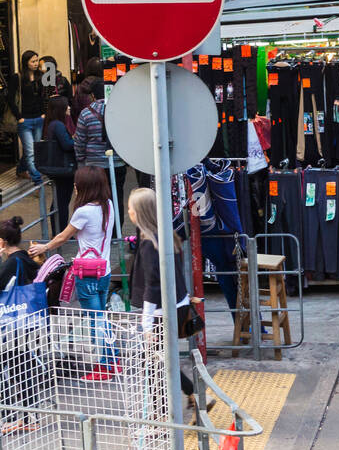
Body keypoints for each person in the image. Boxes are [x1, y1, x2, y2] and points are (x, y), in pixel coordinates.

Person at [29, 165, 117, 379]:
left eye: (78, 183)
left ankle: (105, 366)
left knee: (96, 320)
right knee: (101, 317)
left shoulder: (83, 211)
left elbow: (63, 237)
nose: (75, 186)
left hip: (86, 275)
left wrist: (43, 247)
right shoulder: (108, 205)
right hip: (103, 271)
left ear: (85, 186)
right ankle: (112, 361)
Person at [125, 188, 207, 414]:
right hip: (177, 308)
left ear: (139, 213)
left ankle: (164, 418)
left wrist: (147, 322)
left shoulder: (150, 243)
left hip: (161, 313)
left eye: (131, 207)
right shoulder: (168, 236)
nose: (128, 211)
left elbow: (153, 284)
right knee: (162, 361)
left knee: (154, 365)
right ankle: (194, 396)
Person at [72, 78, 126, 201]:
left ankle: (101, 220)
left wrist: (81, 161)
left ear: (92, 95)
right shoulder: (120, 111)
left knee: (96, 199)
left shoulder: (85, 114)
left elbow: (79, 142)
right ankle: (117, 220)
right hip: (117, 163)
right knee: (117, 198)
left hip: (94, 167)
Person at [40, 96, 77, 230]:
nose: (69, 108)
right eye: (66, 105)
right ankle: (60, 230)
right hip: (63, 169)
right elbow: (67, 145)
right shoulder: (58, 125)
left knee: (60, 200)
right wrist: (78, 140)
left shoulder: (52, 124)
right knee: (62, 201)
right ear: (60, 109)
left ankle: (60, 229)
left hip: (58, 167)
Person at [10, 49, 45, 184]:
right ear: (26, 63)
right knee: (31, 152)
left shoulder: (40, 76)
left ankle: (21, 169)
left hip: (38, 118)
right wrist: (19, 117)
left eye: (37, 61)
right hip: (25, 120)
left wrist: (43, 113)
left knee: (32, 150)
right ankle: (38, 181)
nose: (36, 63)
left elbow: (42, 97)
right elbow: (10, 99)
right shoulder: (17, 77)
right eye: (33, 61)